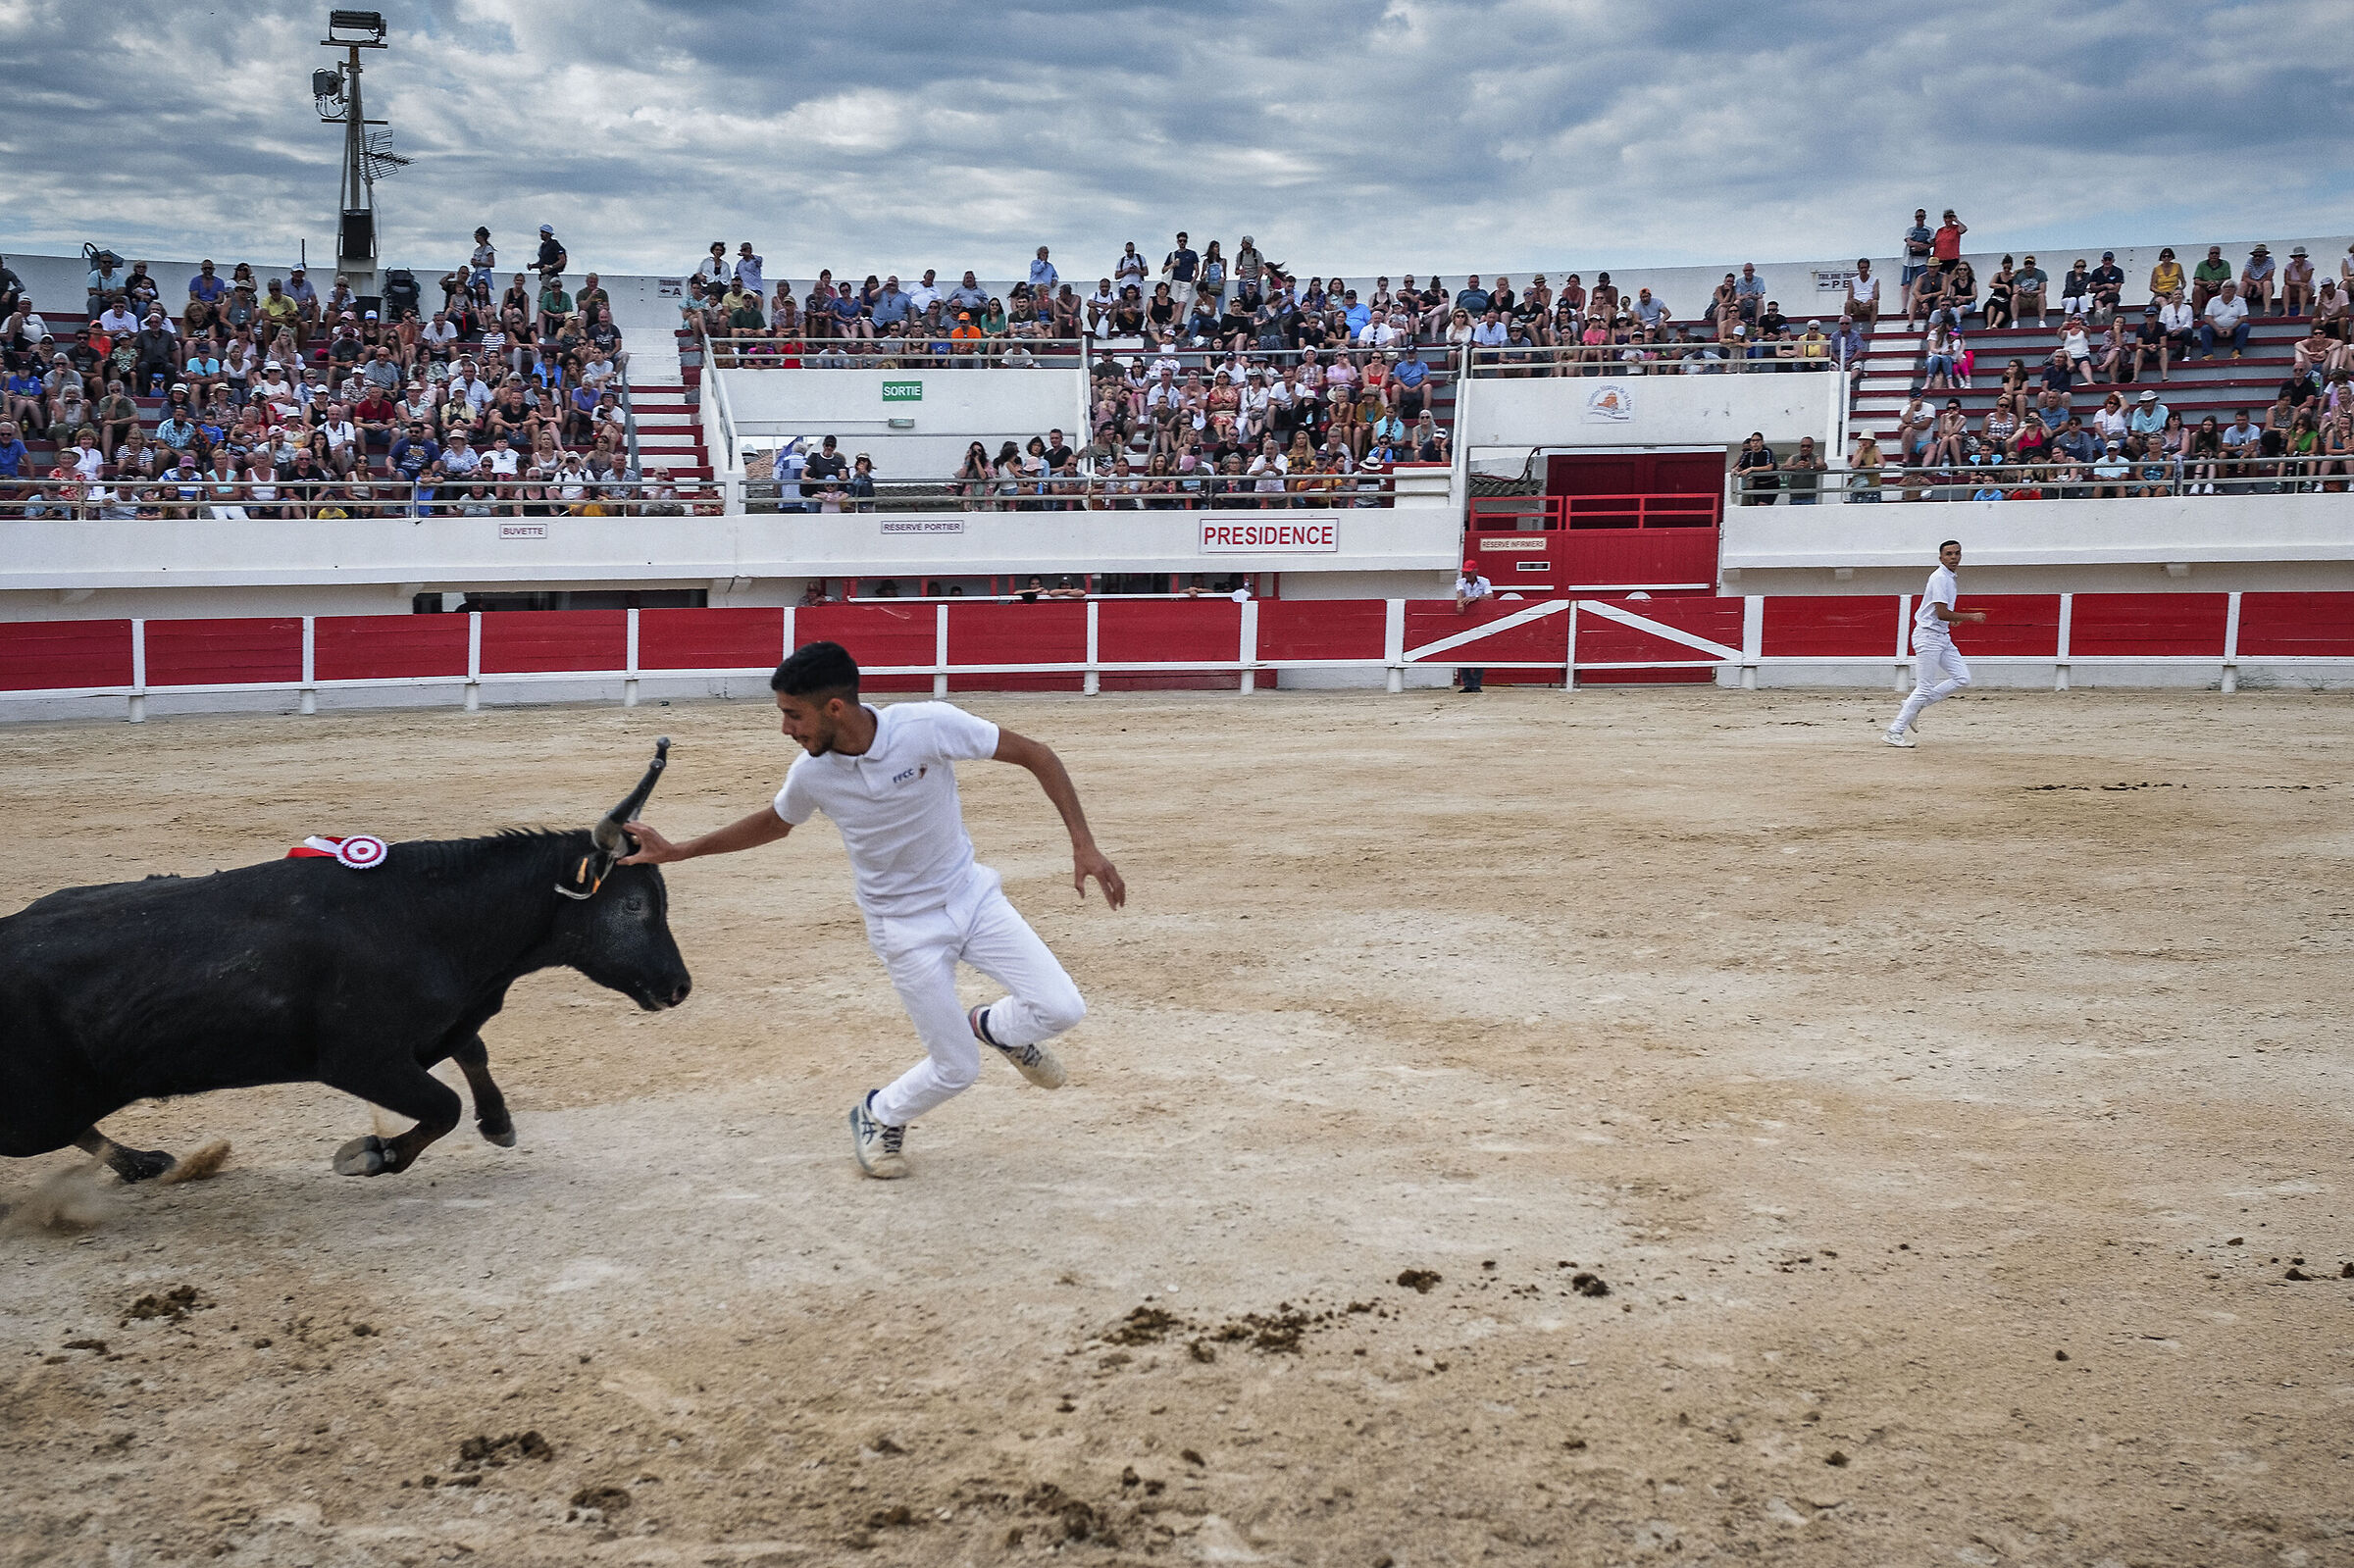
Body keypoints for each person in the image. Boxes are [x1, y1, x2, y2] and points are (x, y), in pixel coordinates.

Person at [617, 641, 1125, 1181]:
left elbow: (1037, 754)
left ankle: (996, 1026)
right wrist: (680, 851)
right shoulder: (812, 775)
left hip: (973, 900)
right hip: (903, 929)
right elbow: (776, 822)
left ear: (835, 708)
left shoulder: (927, 727)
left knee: (1062, 1009)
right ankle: (878, 1113)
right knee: (956, 1071)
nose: (787, 729)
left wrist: (1084, 845)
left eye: (794, 715)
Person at [1884, 540, 1985, 748]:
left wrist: (1952, 619)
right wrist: (1970, 617)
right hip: (1928, 637)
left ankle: (1913, 707)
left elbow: (1941, 613)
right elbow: (1941, 612)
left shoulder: (1948, 577)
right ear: (1941, 558)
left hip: (1941, 635)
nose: (1954, 557)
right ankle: (1894, 731)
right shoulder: (1940, 577)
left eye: (1957, 553)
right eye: (1949, 554)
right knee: (1924, 687)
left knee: (1962, 678)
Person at [1453, 558, 1492, 693]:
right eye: (1465, 572)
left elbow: (1490, 596)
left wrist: (1475, 598)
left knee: (1479, 652)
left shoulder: (1484, 581)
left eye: (1469, 572)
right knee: (1465, 652)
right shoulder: (1460, 582)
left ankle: (1476, 684)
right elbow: (1460, 593)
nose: (1466, 575)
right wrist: (1459, 603)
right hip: (1466, 621)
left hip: (1481, 621)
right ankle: (1468, 684)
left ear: (1475, 571)